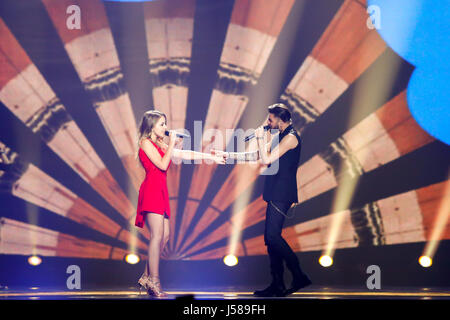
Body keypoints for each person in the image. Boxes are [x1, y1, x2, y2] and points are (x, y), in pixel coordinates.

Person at [216, 103, 311, 297]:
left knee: (273, 236)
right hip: (275, 190)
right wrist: (229, 155)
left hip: (282, 192)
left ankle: (299, 275)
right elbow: (257, 155)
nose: (267, 122)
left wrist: (261, 136)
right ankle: (277, 284)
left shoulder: (291, 138)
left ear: (280, 119)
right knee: (270, 239)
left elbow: (267, 160)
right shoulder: (281, 136)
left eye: (270, 119)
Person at [134, 110, 225, 297]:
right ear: (151, 126)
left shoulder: (160, 143)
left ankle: (146, 275)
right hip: (151, 190)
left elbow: (184, 154)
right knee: (157, 236)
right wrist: (171, 146)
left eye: (165, 123)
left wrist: (211, 157)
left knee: (165, 236)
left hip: (161, 190)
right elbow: (161, 165)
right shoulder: (145, 143)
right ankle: (154, 281)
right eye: (162, 124)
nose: (166, 128)